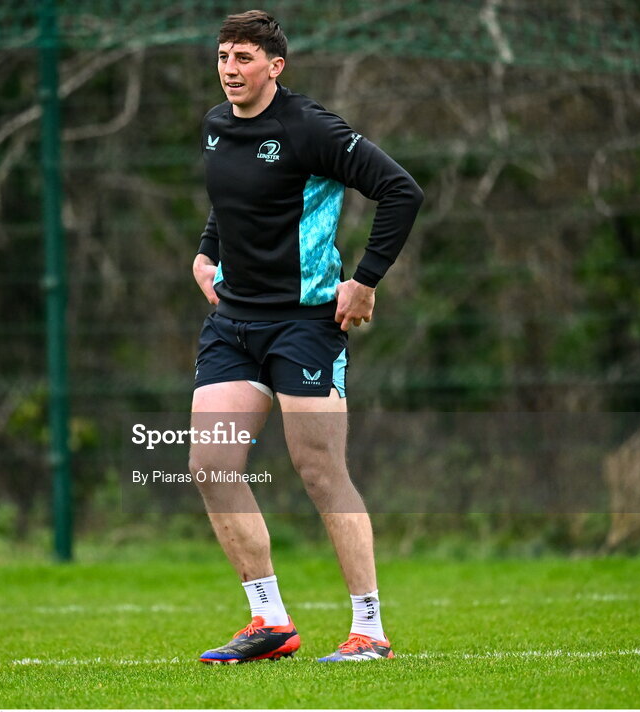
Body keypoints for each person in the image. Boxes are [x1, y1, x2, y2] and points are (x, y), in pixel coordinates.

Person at [190, 10, 423, 664]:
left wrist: (367, 280)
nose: (230, 70)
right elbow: (230, 201)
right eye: (223, 57)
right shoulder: (215, 127)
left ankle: (369, 630)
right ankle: (270, 622)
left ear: (275, 66)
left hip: (305, 325)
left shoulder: (309, 128)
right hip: (232, 324)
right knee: (211, 466)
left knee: (319, 472)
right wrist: (206, 254)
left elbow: (400, 191)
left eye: (243, 59)